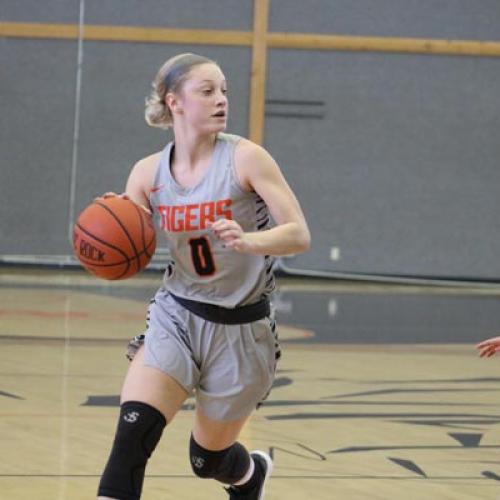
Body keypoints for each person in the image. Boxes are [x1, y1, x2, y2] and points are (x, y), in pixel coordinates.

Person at [96, 52, 310, 500]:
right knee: (131, 438)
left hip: (241, 327)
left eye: (224, 91)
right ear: (174, 102)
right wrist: (108, 223)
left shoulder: (247, 159)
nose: (221, 100)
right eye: (207, 91)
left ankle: (249, 477)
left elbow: (298, 234)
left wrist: (251, 241)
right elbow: (128, 240)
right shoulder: (147, 174)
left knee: (206, 460)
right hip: (177, 315)